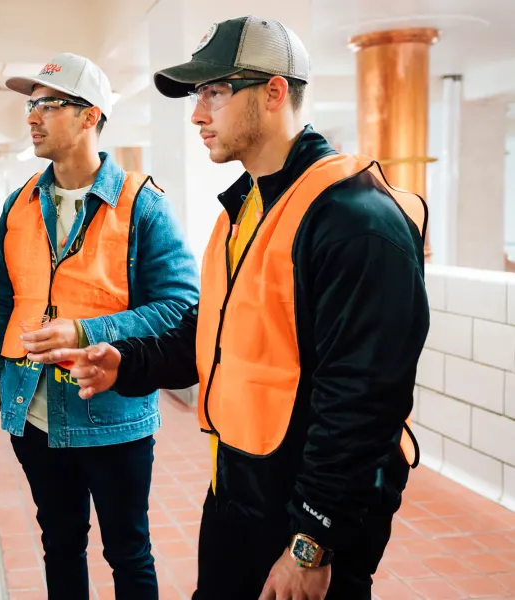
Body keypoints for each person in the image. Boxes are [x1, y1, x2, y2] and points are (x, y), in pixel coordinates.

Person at [51, 16, 430, 600]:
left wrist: (312, 540)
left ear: (274, 92)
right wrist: (127, 363)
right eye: (198, 96)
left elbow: (362, 401)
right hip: (239, 484)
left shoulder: (356, 222)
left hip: (307, 512)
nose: (198, 114)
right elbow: (218, 337)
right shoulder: (245, 208)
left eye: (215, 93)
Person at [0, 53, 199, 599]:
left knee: (128, 551)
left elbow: (180, 306)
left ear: (89, 116)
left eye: (46, 105)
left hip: (113, 418)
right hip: (32, 414)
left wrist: (87, 331)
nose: (31, 117)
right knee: (59, 544)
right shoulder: (19, 205)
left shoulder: (141, 205)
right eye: (30, 105)